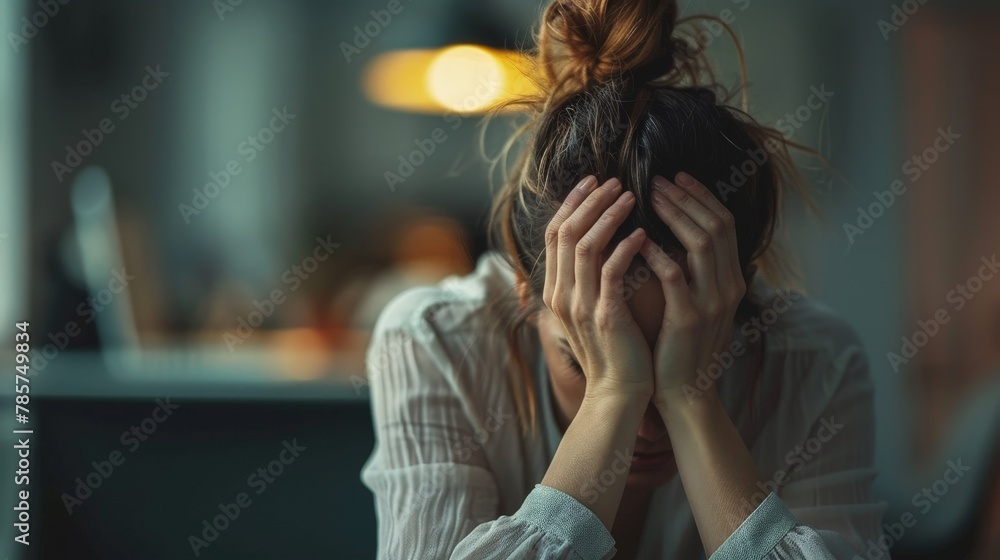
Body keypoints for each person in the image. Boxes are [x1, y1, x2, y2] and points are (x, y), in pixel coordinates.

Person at [361, 0, 886, 557]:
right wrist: (613, 394)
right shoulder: (435, 343)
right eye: (582, 356)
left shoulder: (815, 361)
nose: (644, 427)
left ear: (741, 296)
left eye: (696, 346)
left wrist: (692, 396)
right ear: (524, 288)